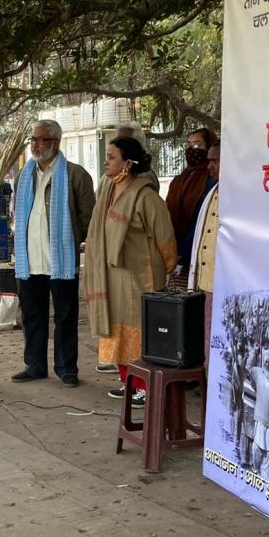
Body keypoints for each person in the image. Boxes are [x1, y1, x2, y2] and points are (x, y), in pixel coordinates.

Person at [84, 137, 177, 407]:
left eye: (112, 157)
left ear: (128, 163)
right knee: (119, 333)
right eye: (107, 156)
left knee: (140, 335)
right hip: (113, 279)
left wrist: (166, 270)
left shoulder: (146, 196)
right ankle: (129, 383)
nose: (106, 161)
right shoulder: (108, 192)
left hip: (140, 281)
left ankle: (145, 387)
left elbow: (165, 239)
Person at [12, 119, 95, 387]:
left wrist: (69, 241)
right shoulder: (25, 176)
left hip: (61, 259)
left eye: (41, 140)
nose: (36, 145)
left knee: (65, 317)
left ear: (56, 143)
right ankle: (34, 366)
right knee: (32, 317)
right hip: (30, 260)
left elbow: (88, 217)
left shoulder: (75, 174)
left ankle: (66, 368)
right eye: (33, 140)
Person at [166, 127, 218, 283]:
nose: (191, 150)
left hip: (196, 254)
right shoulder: (180, 179)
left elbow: (200, 220)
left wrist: (182, 252)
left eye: (197, 145)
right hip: (174, 256)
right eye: (188, 145)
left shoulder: (212, 180)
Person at [187, 140, 221, 365]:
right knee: (207, 342)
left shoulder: (243, 196)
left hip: (224, 285)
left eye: (216, 160)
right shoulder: (213, 191)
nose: (210, 165)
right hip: (205, 284)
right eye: (209, 160)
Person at [249, 350, 269, 477]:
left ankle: (264, 477)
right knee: (256, 449)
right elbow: (249, 368)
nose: (267, 363)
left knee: (267, 452)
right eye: (265, 361)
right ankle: (255, 471)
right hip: (258, 419)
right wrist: (254, 352)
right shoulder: (258, 373)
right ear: (263, 361)